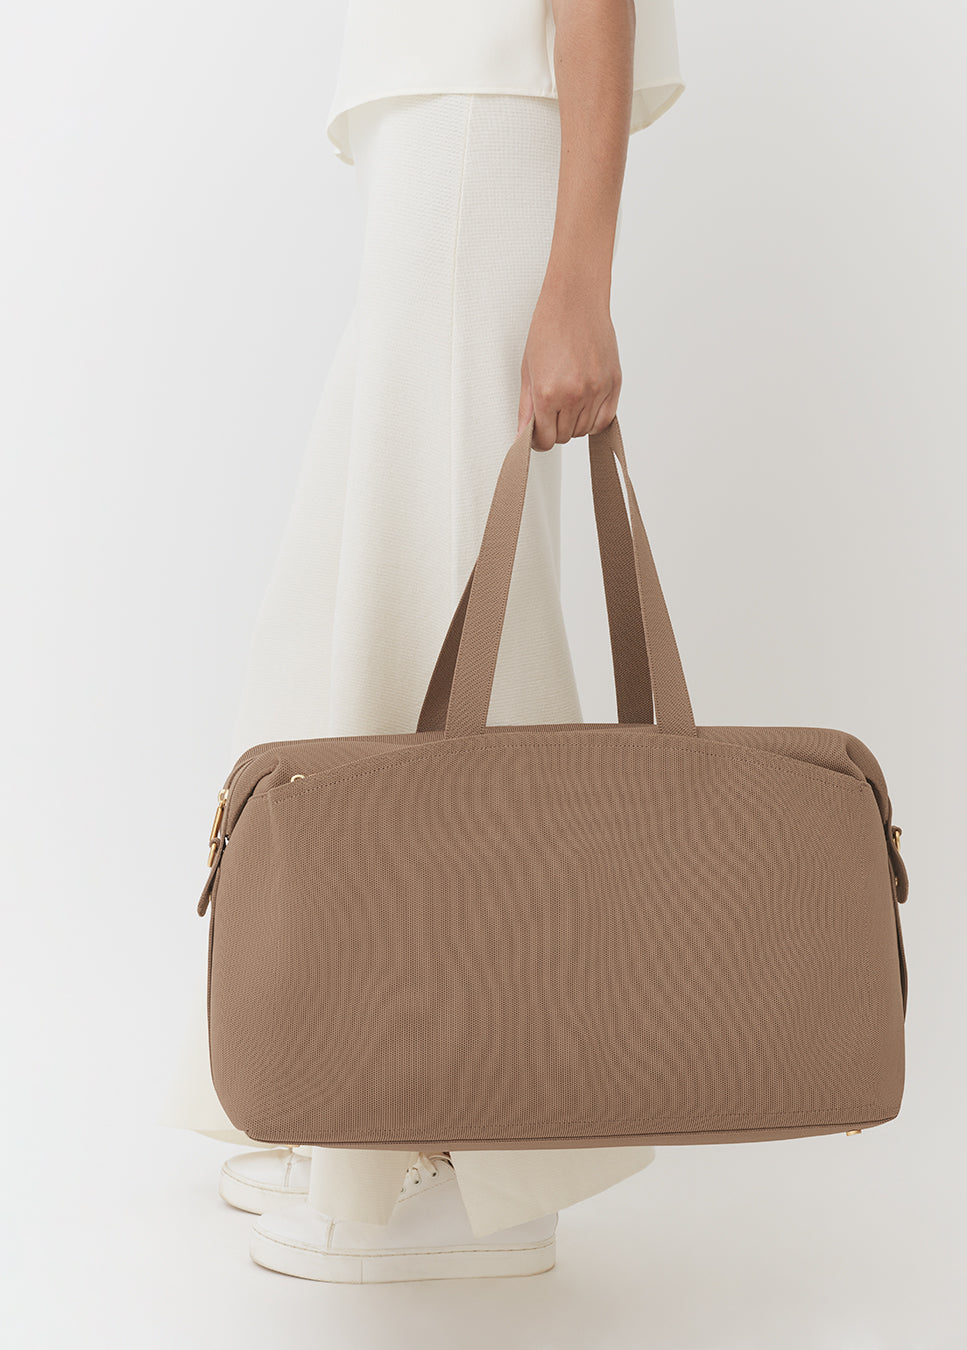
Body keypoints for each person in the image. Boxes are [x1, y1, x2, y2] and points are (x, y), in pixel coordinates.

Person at [164, 0, 684, 1283]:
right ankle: (352, 1090)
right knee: (355, 597)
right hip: (435, 125)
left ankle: (467, 1157)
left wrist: (579, 281)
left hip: (478, 122)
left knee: (442, 611)